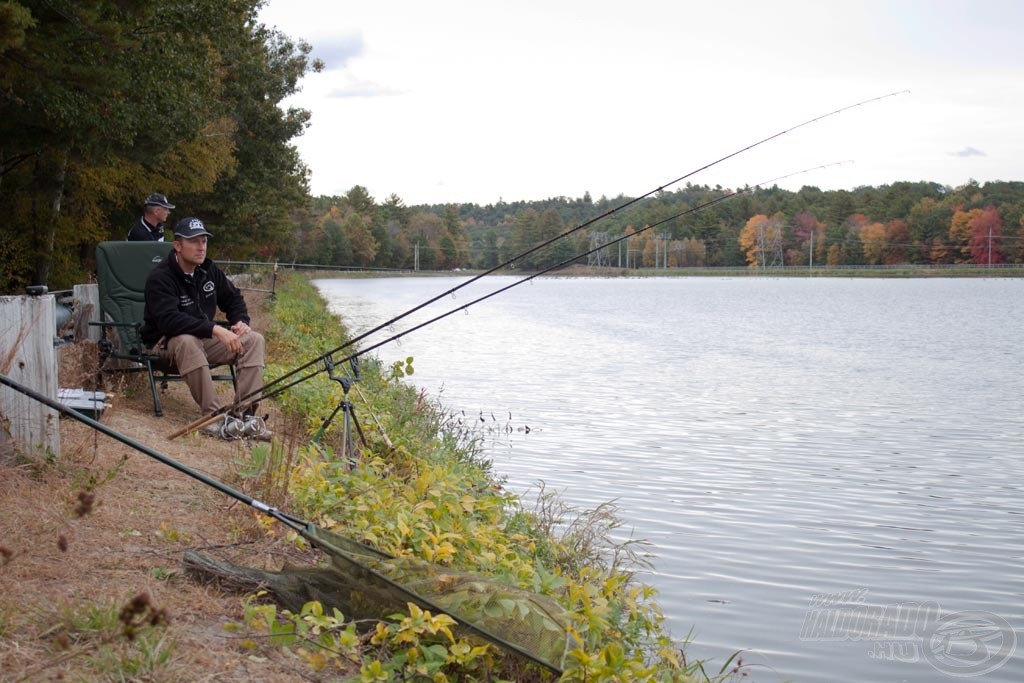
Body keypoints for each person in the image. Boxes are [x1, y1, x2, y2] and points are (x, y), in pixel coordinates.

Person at [140, 216, 271, 440]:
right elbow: (169, 321)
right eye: (194, 241)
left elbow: (234, 300)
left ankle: (245, 418)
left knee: (254, 340)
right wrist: (216, 330)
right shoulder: (160, 277)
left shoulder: (209, 271)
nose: (201, 247)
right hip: (164, 345)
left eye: (204, 241)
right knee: (186, 340)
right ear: (178, 246)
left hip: (202, 341)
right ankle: (215, 418)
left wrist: (241, 321)